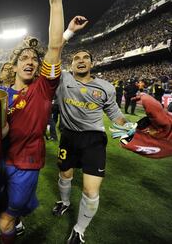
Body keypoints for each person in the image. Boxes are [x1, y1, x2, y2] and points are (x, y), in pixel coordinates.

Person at [0, 0, 67, 244]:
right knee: (0, 214)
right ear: (13, 67)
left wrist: (56, 0)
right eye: (24, 58)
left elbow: (55, 46)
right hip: (1, 161)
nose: (30, 61)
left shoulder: (43, 88)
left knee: (5, 219)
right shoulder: (1, 94)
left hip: (26, 164)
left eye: (34, 59)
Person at [52, 47, 133, 243]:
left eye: (85, 57)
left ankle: (79, 230)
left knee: (90, 190)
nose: (80, 60)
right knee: (65, 174)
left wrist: (130, 128)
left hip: (94, 140)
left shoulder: (105, 87)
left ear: (91, 63)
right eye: (76, 58)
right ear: (70, 65)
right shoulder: (62, 79)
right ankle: (64, 202)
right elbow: (50, 60)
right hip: (68, 137)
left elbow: (114, 114)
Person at [113, 93, 172, 158]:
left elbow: (151, 105)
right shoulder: (162, 145)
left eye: (146, 131)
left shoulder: (164, 123)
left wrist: (142, 96)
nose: (147, 132)